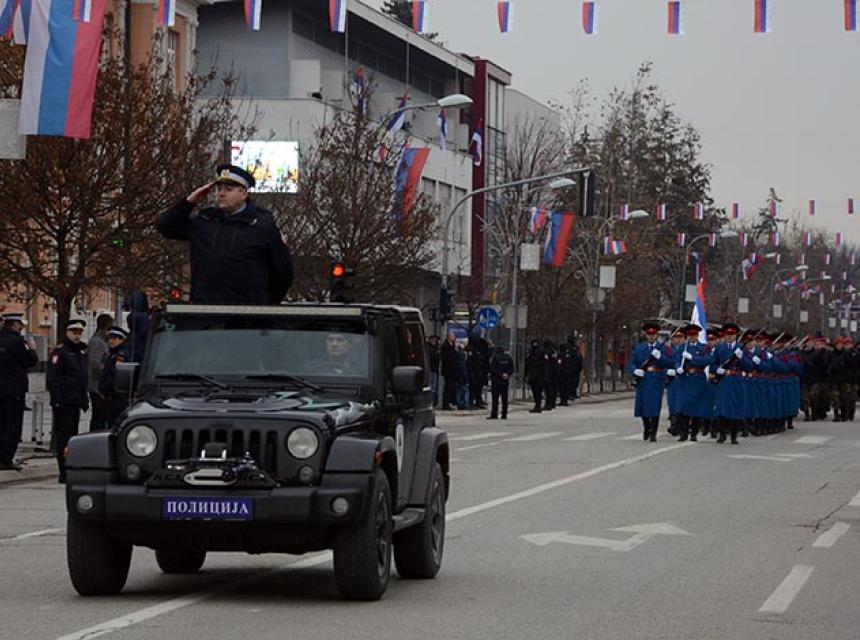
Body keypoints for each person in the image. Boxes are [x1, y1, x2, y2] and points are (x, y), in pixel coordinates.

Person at [156, 163, 294, 304]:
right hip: (205, 310)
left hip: (248, 311)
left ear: (243, 193)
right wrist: (189, 202)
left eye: (228, 189)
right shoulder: (205, 222)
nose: (221, 194)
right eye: (219, 189)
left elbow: (283, 272)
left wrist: (266, 304)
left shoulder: (261, 226)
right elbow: (165, 227)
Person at [47, 319, 90, 483]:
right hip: (64, 401)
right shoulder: (60, 352)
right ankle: (64, 470)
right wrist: (57, 399)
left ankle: (71, 467)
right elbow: (53, 378)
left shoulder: (81, 351)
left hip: (75, 400)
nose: (77, 336)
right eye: (74, 332)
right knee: (64, 437)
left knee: (73, 436)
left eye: (79, 332)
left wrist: (83, 398)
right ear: (67, 333)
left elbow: (82, 378)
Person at [0, 314, 39, 471]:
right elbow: (30, 361)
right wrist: (32, 349)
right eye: (20, 325)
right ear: (15, 325)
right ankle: (6, 459)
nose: (21, 328)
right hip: (14, 390)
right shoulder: (17, 342)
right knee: (13, 426)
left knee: (2, 424)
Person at [628, 322, 673, 441]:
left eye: (653, 334)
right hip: (643, 380)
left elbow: (670, 363)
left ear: (657, 335)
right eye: (649, 334)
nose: (651, 336)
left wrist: (660, 357)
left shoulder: (663, 348)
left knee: (655, 407)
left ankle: (653, 432)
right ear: (646, 335)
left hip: (656, 380)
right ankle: (646, 427)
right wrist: (635, 370)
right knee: (643, 407)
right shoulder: (639, 348)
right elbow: (632, 363)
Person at [98, 327, 130, 427]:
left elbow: (115, 374)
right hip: (111, 397)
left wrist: (104, 388)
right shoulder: (112, 354)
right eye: (110, 338)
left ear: (122, 340)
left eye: (114, 338)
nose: (111, 341)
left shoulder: (121, 355)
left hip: (117, 397)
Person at [87, 313, 113, 430]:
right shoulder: (97, 342)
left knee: (102, 416)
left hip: (101, 386)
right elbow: (95, 364)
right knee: (99, 417)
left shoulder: (103, 340)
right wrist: (108, 371)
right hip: (97, 387)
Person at [487, 345, 515, 420]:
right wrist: (507, 374)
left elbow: (492, 369)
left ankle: (494, 414)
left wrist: (500, 374)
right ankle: (504, 414)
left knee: (495, 398)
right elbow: (512, 368)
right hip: (505, 381)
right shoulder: (508, 357)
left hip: (496, 381)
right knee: (504, 398)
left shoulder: (495, 358)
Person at [525, 339, 547, 413]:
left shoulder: (541, 352)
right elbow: (527, 364)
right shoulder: (531, 352)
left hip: (539, 374)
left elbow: (545, 364)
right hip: (533, 374)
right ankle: (537, 405)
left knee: (537, 391)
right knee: (535, 391)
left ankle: (538, 405)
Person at [440, 333, 458, 410]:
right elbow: (447, 358)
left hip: (452, 370)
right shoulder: (446, 346)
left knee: (451, 388)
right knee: (448, 388)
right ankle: (445, 404)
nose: (454, 338)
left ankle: (449, 403)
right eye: (453, 337)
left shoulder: (452, 346)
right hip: (448, 370)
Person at [426, 335, 440, 407]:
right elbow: (432, 358)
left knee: (434, 387)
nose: (435, 341)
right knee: (432, 387)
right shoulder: (429, 348)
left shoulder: (435, 348)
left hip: (435, 369)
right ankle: (431, 401)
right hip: (431, 369)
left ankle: (433, 401)